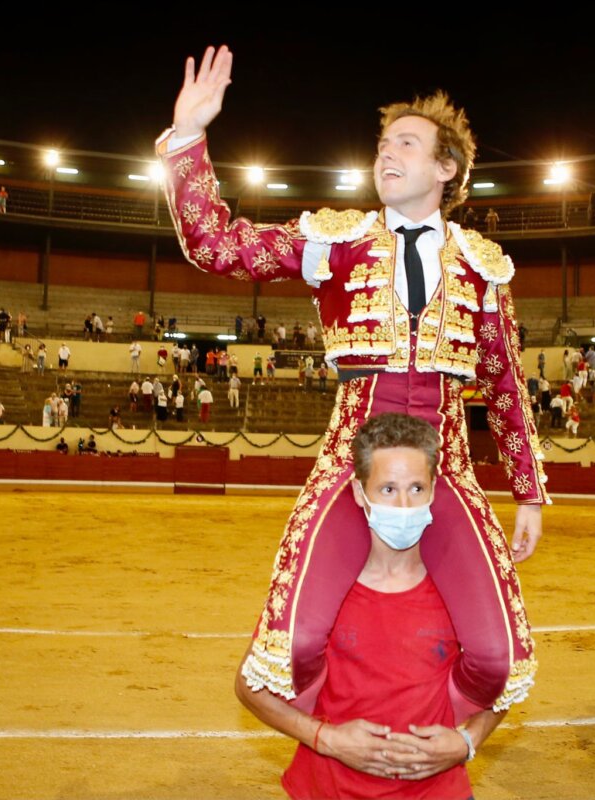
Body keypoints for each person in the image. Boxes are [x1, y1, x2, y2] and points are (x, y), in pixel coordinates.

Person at [161, 46, 542, 716]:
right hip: (350, 460)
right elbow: (216, 246)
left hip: (446, 466)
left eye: (405, 143)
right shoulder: (337, 241)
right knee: (295, 644)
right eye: (382, 143)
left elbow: (506, 386)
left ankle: (415, 738)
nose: (385, 154)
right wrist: (190, 137)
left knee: (498, 656)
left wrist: (529, 495)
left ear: (446, 168)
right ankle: (343, 748)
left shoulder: (484, 268)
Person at [236, 414, 508, 799]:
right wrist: (324, 738)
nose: (403, 504)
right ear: (360, 494)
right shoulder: (318, 585)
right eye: (387, 489)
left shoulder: (461, 589)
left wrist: (467, 740)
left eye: (416, 488)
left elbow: (505, 683)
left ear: (433, 492)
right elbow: (249, 687)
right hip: (330, 791)